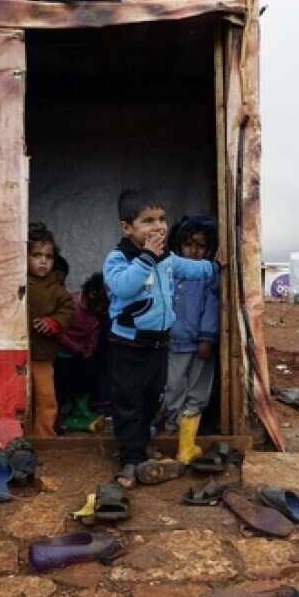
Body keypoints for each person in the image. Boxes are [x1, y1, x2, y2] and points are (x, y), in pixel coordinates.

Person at [103, 188, 215, 488]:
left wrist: (212, 268)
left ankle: (143, 446)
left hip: (158, 344)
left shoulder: (167, 258)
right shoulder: (119, 259)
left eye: (162, 219)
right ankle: (130, 459)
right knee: (129, 402)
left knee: (154, 398)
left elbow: (187, 268)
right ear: (127, 228)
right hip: (128, 346)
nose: (159, 226)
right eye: (148, 220)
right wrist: (146, 259)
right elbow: (123, 287)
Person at [162, 215, 220, 464]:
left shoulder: (207, 276)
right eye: (188, 244)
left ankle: (187, 443)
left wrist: (207, 338)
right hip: (173, 342)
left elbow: (212, 307)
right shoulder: (170, 273)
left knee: (197, 389)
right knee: (173, 386)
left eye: (201, 245)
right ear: (178, 246)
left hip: (199, 344)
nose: (194, 250)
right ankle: (171, 427)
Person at [27, 222, 74, 437]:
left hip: (42, 355)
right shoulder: (17, 282)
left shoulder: (57, 289)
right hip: (15, 354)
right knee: (19, 398)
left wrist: (53, 322)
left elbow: (68, 311)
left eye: (48, 256)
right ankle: (20, 436)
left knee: (46, 398)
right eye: (37, 255)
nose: (43, 261)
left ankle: (44, 437)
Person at [56, 272, 108, 432]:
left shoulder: (96, 314)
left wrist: (90, 349)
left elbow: (94, 332)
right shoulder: (70, 304)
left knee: (91, 370)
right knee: (63, 380)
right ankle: (63, 416)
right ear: (92, 295)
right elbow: (59, 332)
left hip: (80, 352)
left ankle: (82, 408)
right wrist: (76, 348)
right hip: (62, 352)